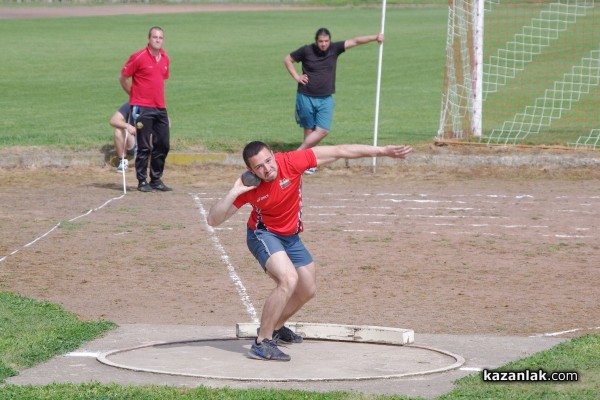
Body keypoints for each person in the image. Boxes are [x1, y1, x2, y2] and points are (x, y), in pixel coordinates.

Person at [207, 141, 412, 361]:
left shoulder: (291, 162)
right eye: (259, 167)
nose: (267, 169)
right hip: (263, 235)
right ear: (251, 171)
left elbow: (339, 151)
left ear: (274, 156)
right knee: (288, 279)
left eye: (268, 161)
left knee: (307, 289)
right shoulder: (250, 188)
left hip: (291, 237)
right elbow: (213, 220)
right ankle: (261, 343)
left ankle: (274, 328)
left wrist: (382, 151)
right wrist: (235, 190)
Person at [284, 28, 384, 173]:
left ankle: (297, 155)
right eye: (320, 41)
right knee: (309, 130)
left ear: (330, 41)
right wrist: (297, 77)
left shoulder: (335, 49)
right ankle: (308, 164)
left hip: (325, 97)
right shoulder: (306, 50)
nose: (323, 44)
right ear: (316, 41)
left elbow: (355, 41)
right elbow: (288, 59)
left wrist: (375, 37)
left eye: (326, 41)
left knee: (322, 130)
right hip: (306, 96)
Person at [119, 26, 172, 193]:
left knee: (163, 144)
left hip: (160, 107)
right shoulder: (138, 57)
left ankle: (156, 179)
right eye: (155, 37)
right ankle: (142, 180)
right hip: (143, 108)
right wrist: (133, 97)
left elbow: (159, 82)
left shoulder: (165, 58)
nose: (157, 40)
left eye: (160, 37)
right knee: (144, 145)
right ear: (149, 39)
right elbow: (123, 77)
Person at [109, 102, 137, 173]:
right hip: (133, 141)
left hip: (148, 142)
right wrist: (128, 126)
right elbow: (113, 120)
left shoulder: (153, 104)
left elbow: (167, 123)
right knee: (118, 130)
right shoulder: (130, 105)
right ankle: (123, 161)